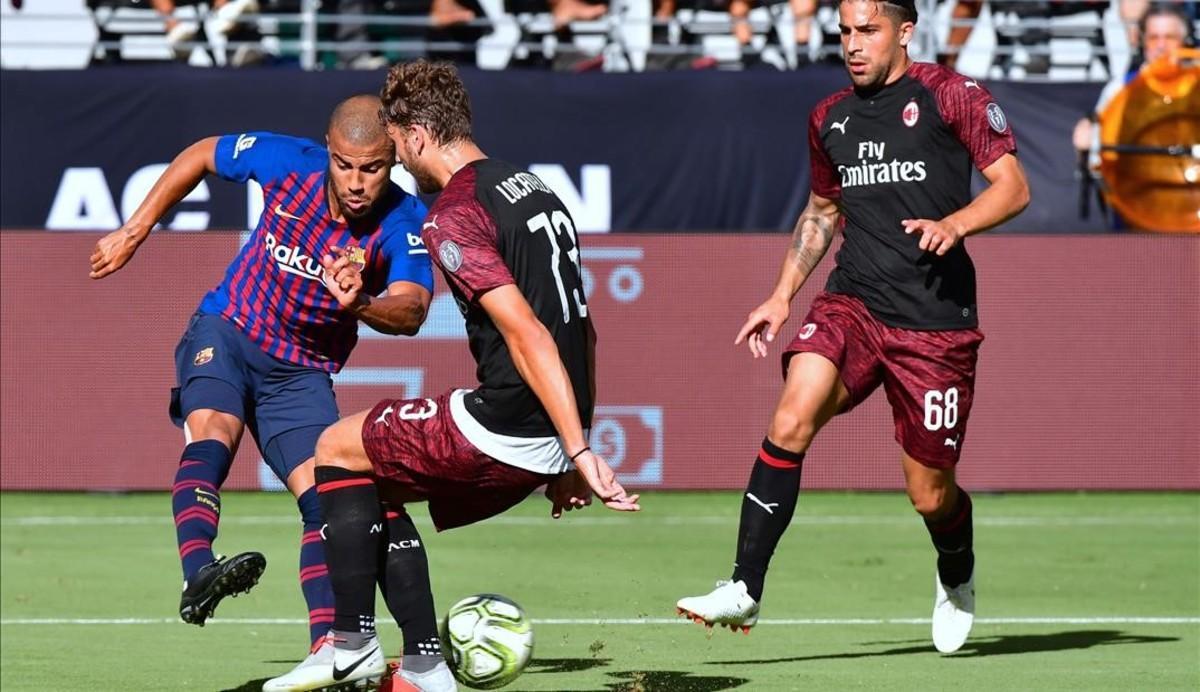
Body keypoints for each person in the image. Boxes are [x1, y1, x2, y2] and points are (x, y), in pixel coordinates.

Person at [675, 0, 1029, 655]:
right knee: (791, 416)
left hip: (934, 327)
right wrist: (781, 296)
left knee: (930, 495)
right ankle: (744, 587)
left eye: (867, 30)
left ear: (904, 31)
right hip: (852, 304)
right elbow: (821, 211)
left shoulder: (953, 95)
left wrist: (955, 224)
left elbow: (1012, 188)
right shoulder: (828, 116)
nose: (852, 44)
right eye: (843, 31)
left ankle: (956, 570)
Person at [296, 60, 640, 691]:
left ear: (420, 134)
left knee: (335, 450)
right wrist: (566, 447)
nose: (398, 165)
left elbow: (528, 332)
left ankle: (351, 645)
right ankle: (424, 665)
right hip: (542, 430)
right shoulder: (534, 187)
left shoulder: (453, 213)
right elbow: (582, 325)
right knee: (374, 484)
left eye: (397, 147)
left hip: (507, 423)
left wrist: (580, 450)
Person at [87, 95, 435, 689]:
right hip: (228, 330)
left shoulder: (400, 220)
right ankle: (200, 572)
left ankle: (331, 649)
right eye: (345, 165)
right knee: (212, 433)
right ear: (328, 152)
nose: (356, 183)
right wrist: (135, 229)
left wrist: (364, 303)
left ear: (393, 161)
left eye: (372, 168)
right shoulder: (286, 162)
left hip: (298, 373)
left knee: (328, 499)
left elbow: (413, 307)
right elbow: (202, 155)